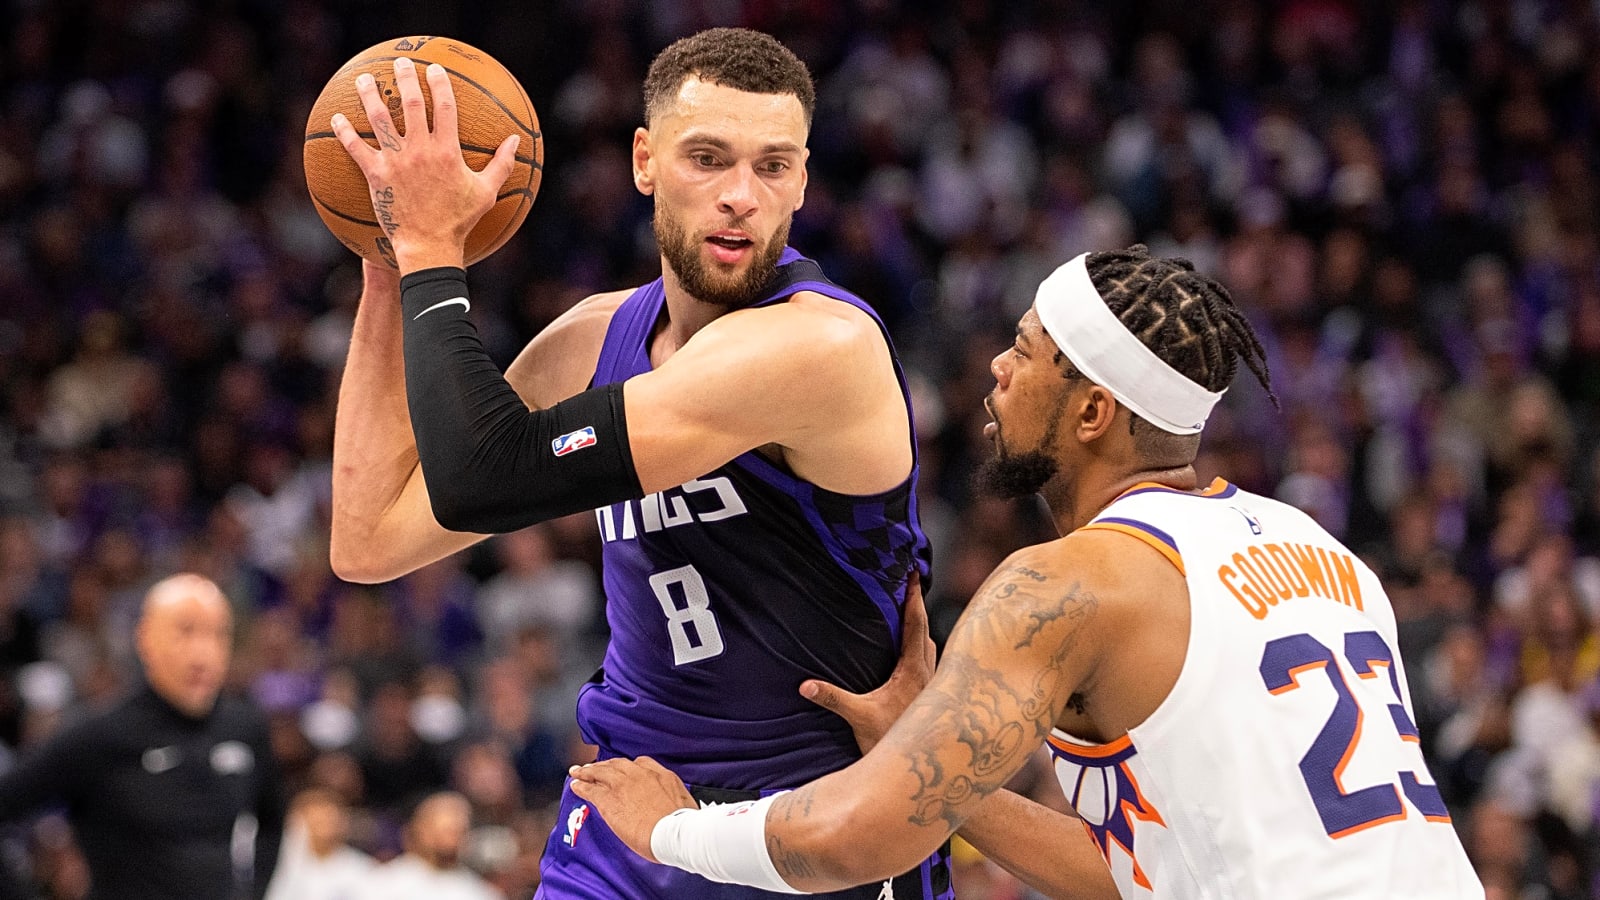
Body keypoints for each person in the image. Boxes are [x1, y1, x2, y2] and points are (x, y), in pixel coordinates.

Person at [568, 246, 1485, 899]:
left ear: (1091, 413)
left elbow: (859, 839)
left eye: (1026, 350)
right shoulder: (1322, 554)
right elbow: (1141, 877)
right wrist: (929, 766)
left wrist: (670, 833)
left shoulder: (1069, 584)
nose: (998, 368)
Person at [327, 27, 944, 898]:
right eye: (708, 158)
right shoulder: (594, 335)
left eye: (772, 166)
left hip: (810, 832)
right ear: (644, 161)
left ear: (803, 180)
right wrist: (386, 258)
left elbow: (479, 477)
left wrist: (434, 249)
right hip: (622, 818)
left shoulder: (821, 346)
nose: (741, 195)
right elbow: (368, 538)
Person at [0, 572, 286, 899]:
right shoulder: (99, 735)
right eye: (185, 631)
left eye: (217, 634)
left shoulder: (246, 728)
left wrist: (252, 892)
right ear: (145, 638)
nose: (202, 653)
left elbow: (273, 820)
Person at [358, 791, 502, 900]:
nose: (452, 838)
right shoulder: (382, 884)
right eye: (444, 830)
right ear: (418, 830)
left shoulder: (480, 892)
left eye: (458, 831)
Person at [265, 787, 375, 900]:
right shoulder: (284, 866)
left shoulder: (360, 867)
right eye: (317, 822)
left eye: (330, 818)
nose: (326, 825)